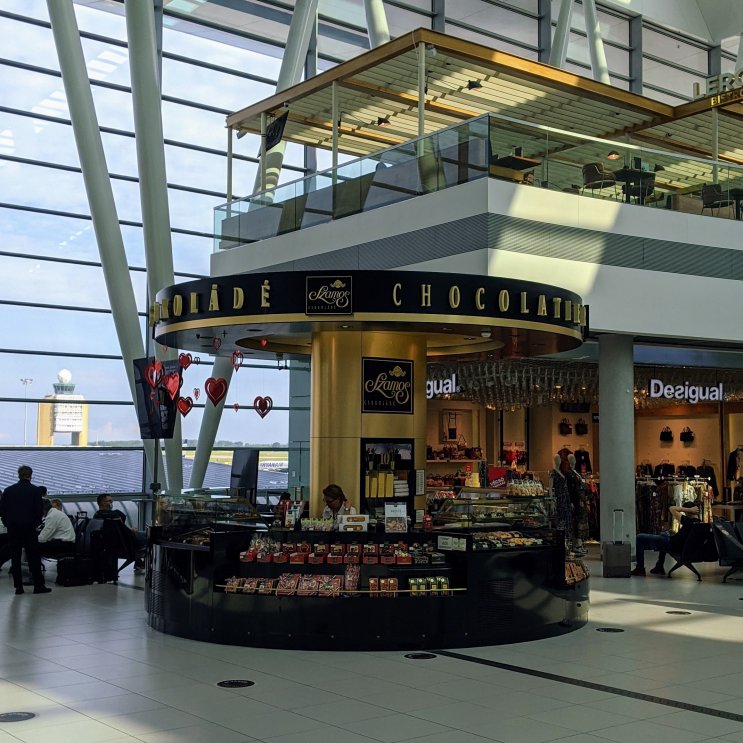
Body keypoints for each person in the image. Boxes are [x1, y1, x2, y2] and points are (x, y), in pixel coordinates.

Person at [0, 465, 51, 594]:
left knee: (15, 557)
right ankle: (38, 586)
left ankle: (18, 587)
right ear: (30, 475)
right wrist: (35, 525)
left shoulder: (8, 490)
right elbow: (38, 511)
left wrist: (8, 523)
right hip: (29, 528)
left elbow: (3, 510)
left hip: (13, 528)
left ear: (18, 475)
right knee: (33, 556)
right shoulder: (35, 491)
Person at [630, 501, 700, 577]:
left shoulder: (688, 521)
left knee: (640, 537)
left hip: (672, 545)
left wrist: (688, 510)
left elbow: (672, 508)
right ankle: (659, 566)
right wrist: (674, 534)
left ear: (688, 512)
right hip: (678, 545)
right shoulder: (699, 524)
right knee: (664, 533)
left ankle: (640, 569)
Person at [94, 494, 146, 570]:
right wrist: (131, 530)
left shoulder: (97, 515)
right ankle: (140, 561)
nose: (111, 503)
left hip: (114, 543)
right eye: (110, 501)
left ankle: (138, 561)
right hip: (128, 540)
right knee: (150, 535)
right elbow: (122, 529)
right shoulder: (114, 516)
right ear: (103, 502)